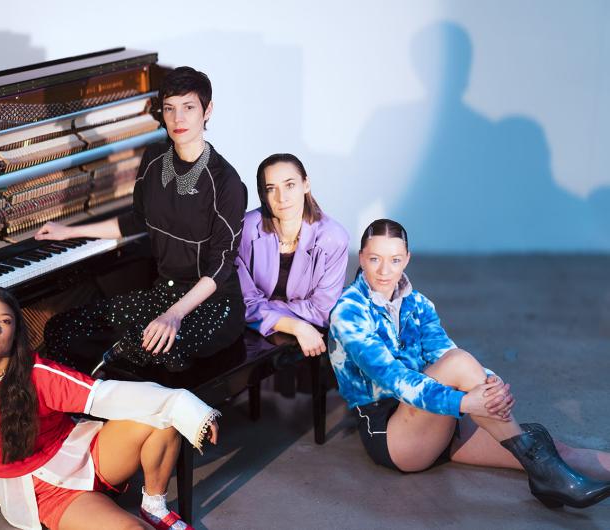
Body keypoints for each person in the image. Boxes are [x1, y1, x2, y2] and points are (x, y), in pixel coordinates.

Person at [328, 219, 610, 508]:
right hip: (396, 436)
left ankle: (548, 479)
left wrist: (490, 383)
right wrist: (465, 403)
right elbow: (394, 379)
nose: (385, 270)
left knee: (550, 449)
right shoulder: (349, 311)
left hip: (440, 421)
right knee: (459, 363)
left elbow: (443, 351)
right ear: (361, 257)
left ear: (407, 259)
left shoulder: (419, 304)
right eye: (375, 259)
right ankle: (546, 477)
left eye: (395, 260)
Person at [0, 286, 219, 530]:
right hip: (44, 492)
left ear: (15, 333)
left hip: (86, 452)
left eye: (5, 321)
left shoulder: (36, 373)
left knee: (165, 416)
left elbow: (106, 395)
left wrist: (187, 405)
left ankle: (155, 507)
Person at [35, 66, 247, 373]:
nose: (178, 119)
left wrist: (174, 315)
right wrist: (68, 231)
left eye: (189, 108)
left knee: (151, 352)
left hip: (212, 305)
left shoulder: (227, 182)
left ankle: (117, 398)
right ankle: (84, 399)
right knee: (63, 328)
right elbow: (136, 221)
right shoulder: (153, 160)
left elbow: (221, 266)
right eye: (170, 108)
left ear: (208, 110)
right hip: (164, 294)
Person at [236, 153, 349, 356]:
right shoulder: (245, 230)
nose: (282, 198)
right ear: (262, 194)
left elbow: (322, 310)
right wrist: (296, 326)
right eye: (271, 188)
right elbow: (242, 301)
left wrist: (265, 310)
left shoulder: (334, 238)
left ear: (306, 184)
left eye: (289, 185)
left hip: (309, 329)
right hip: (254, 330)